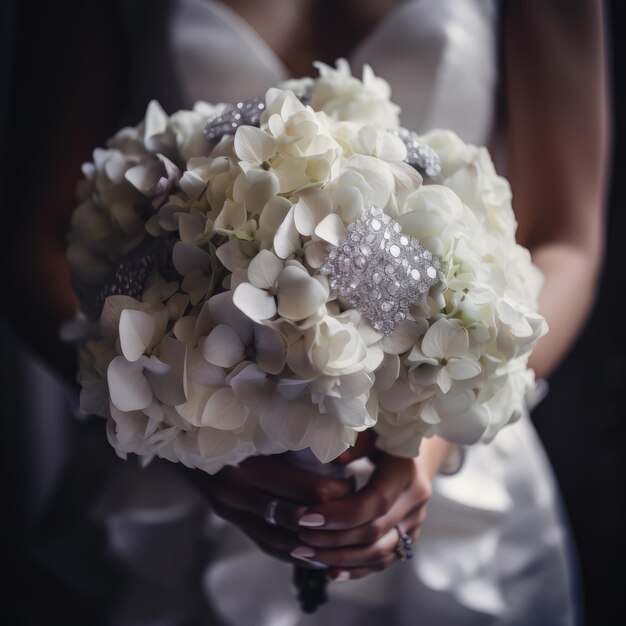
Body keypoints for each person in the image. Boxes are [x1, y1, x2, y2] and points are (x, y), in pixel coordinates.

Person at [4, 0, 608, 624]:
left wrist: (425, 440)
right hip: (174, 467)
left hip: (451, 453)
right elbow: (33, 244)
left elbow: (568, 241)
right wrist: (189, 439)